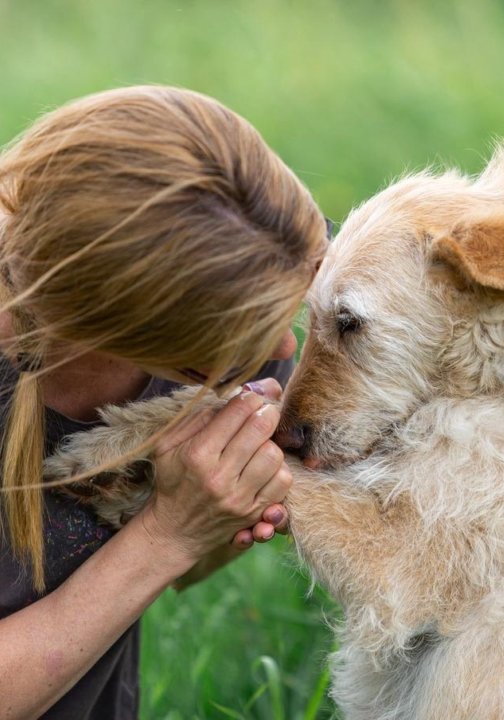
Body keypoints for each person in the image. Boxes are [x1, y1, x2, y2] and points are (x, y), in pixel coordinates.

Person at [0, 85, 328, 720]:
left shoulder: (227, 313)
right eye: (228, 347)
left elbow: (179, 575)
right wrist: (167, 535)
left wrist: (219, 514)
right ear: (106, 314)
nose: (279, 349)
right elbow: (158, 556)